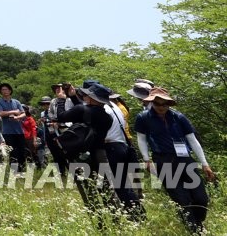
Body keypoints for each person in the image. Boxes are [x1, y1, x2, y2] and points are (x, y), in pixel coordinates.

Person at [135, 87, 216, 233]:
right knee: (182, 200)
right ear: (152, 103)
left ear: (169, 104)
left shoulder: (179, 117)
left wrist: (205, 164)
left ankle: (198, 222)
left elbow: (192, 140)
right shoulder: (143, 118)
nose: (161, 107)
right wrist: (147, 159)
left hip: (185, 159)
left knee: (201, 198)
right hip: (163, 160)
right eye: (157, 104)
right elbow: (141, 139)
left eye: (164, 104)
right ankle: (194, 230)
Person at [57, 82, 116, 224]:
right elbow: (85, 115)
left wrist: (61, 99)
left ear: (92, 98)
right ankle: (116, 218)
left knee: (87, 189)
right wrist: (74, 97)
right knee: (106, 187)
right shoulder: (107, 117)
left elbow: (61, 116)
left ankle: (98, 222)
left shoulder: (81, 110)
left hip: (80, 155)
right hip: (100, 154)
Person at [102, 89, 144, 219]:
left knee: (122, 183)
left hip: (117, 144)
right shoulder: (118, 107)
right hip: (123, 143)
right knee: (126, 180)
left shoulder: (113, 108)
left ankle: (136, 213)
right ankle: (136, 206)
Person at [0, 83, 27, 175]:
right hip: (8, 131)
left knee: (22, 151)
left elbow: (23, 113)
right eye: (2, 90)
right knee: (12, 152)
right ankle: (14, 172)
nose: (4, 91)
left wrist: (18, 117)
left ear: (10, 91)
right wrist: (14, 111)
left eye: (6, 89)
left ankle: (22, 170)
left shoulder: (16, 102)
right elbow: (1, 113)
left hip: (19, 130)